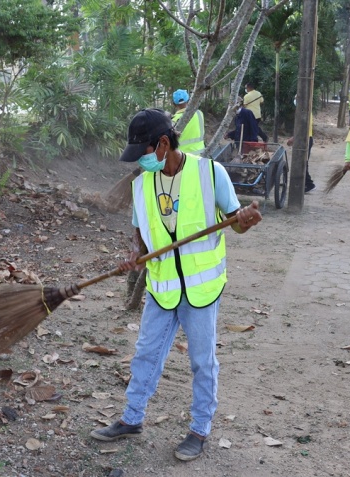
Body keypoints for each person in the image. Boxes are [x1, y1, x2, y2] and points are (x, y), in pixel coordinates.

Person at [90, 108, 262, 462]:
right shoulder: (142, 184)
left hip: (201, 288)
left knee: (201, 361)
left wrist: (246, 220)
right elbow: (140, 231)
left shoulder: (209, 173)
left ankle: (199, 429)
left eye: (143, 152)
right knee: (146, 354)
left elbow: (235, 222)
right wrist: (135, 254)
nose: (140, 161)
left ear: (163, 144)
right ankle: (131, 418)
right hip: (163, 286)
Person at [287, 94, 316, 193]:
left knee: (303, 162)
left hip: (305, 139)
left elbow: (303, 128)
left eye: (296, 99)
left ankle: (309, 184)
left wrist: (293, 138)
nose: (295, 101)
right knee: (302, 162)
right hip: (304, 138)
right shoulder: (303, 111)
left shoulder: (305, 112)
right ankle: (307, 183)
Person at [171, 89, 206, 155]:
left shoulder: (174, 120)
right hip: (200, 154)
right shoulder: (199, 113)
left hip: (183, 157)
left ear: (174, 104)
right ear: (189, 100)